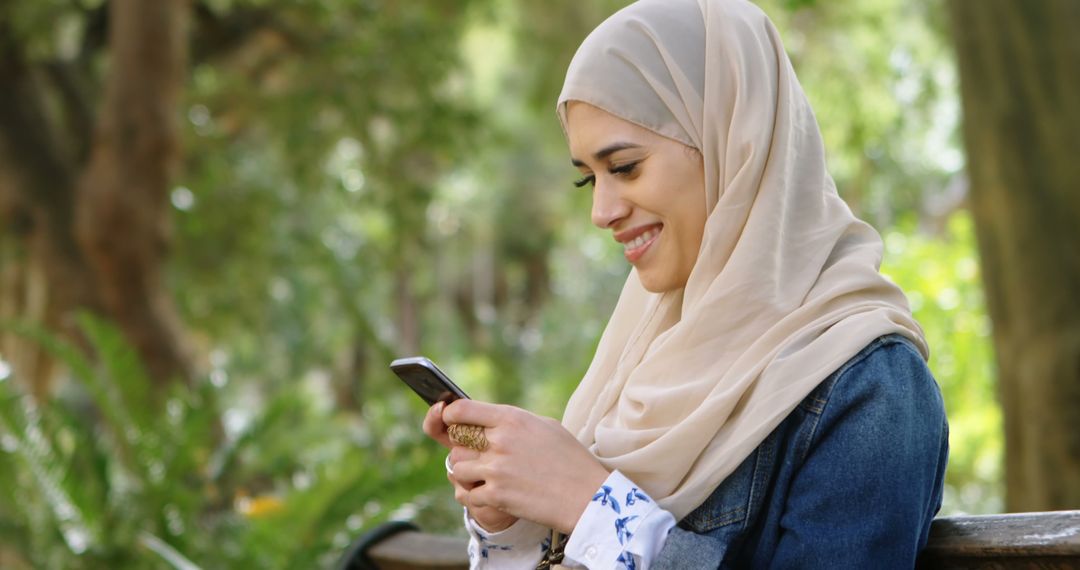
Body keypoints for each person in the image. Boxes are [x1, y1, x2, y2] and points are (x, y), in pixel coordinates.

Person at [423, 0, 949, 567]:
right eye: (587, 180)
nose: (601, 211)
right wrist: (513, 523)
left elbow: (599, 517)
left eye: (623, 167)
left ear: (733, 144)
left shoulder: (871, 386)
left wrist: (592, 506)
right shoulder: (643, 356)